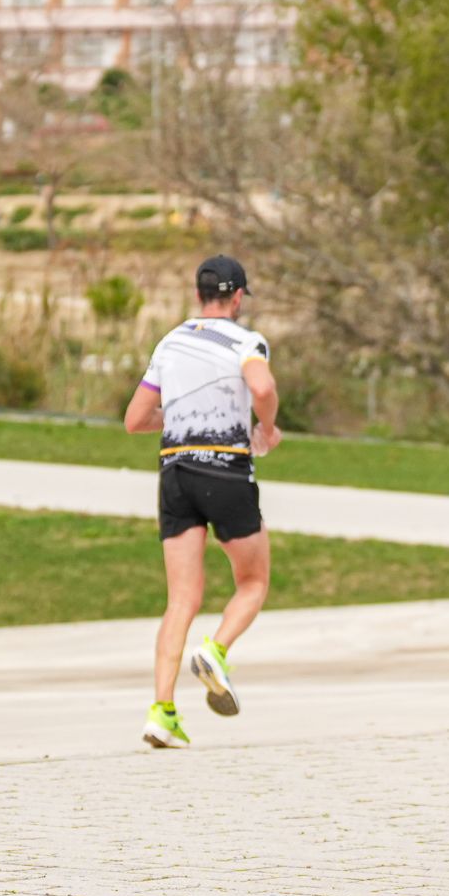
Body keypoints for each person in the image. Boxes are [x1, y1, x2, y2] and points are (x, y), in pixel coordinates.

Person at [121, 254, 281, 749]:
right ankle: (215, 650)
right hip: (225, 471)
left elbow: (135, 419)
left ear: (198, 296)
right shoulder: (246, 340)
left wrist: (177, 420)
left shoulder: (171, 341)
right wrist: (268, 428)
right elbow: (262, 385)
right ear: (237, 298)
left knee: (181, 600)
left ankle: (162, 713)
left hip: (175, 475)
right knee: (253, 582)